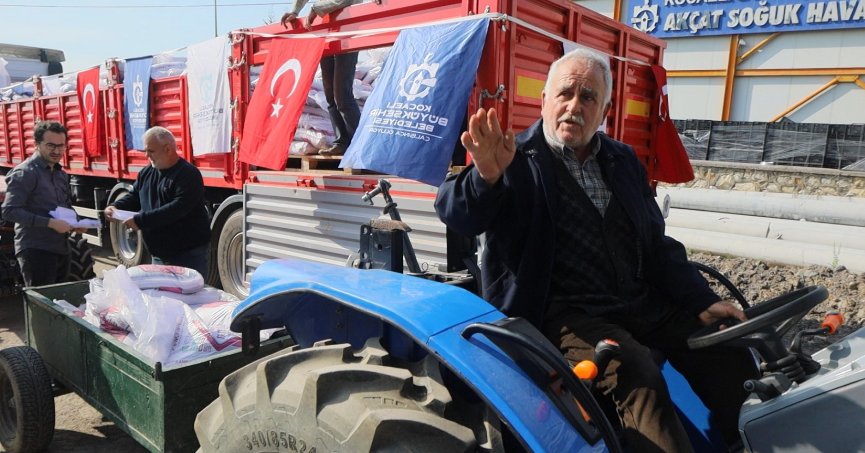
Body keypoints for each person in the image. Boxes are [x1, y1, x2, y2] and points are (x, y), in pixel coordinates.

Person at [435, 48, 759, 452]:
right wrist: (485, 176)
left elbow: (656, 245)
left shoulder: (622, 161)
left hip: (637, 302)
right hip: (565, 314)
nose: (574, 106)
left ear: (604, 109)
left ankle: (752, 439)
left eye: (588, 97)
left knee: (724, 345)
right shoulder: (513, 158)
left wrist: (701, 300)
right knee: (635, 373)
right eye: (565, 93)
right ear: (544, 101)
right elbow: (457, 213)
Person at [104, 126, 211, 279]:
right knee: (163, 300)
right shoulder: (147, 172)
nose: (147, 155)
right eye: (145, 151)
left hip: (187, 255)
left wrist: (141, 221)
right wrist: (116, 206)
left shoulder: (188, 174)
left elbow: (177, 209)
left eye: (151, 151)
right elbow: (135, 196)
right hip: (159, 255)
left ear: (168, 149)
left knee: (188, 300)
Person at [1, 121, 85, 286]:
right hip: (35, 250)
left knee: (61, 301)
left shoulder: (61, 174)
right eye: (51, 145)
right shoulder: (25, 173)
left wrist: (76, 221)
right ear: (37, 145)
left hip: (61, 248)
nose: (56, 151)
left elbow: (65, 206)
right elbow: (9, 211)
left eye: (61, 146)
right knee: (42, 306)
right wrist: (50, 223)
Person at [281, 0, 363, 156]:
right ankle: (342, 142)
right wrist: (295, 11)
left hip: (347, 30)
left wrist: (316, 8)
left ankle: (360, 145)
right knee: (330, 96)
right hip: (325, 31)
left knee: (342, 95)